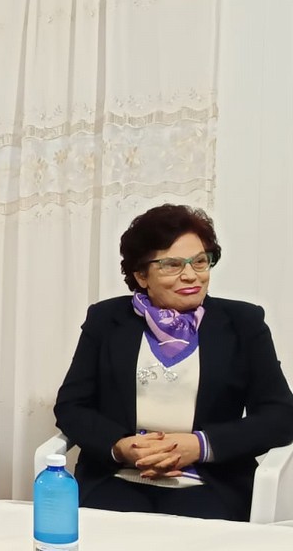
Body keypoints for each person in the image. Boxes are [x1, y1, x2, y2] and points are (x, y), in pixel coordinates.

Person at [54, 204, 293, 522]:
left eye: (200, 261)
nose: (191, 275)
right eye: (172, 265)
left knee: (197, 545)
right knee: (106, 540)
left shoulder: (243, 322)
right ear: (141, 275)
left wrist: (201, 445)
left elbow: (280, 416)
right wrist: (121, 447)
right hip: (117, 476)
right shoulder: (106, 320)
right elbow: (72, 406)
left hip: (209, 483)